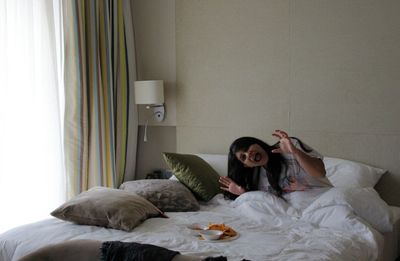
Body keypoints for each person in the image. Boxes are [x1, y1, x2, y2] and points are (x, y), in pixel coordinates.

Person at [219, 130, 332, 199]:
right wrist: (242, 193)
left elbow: (320, 172)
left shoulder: (288, 145)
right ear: (247, 165)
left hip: (325, 198)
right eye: (243, 157)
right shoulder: (257, 178)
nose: (248, 154)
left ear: (257, 144)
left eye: (247, 148)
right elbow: (265, 202)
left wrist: (295, 152)